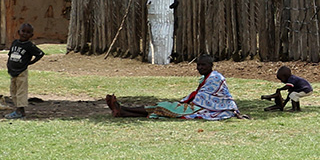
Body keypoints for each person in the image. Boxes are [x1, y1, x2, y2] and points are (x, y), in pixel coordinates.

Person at [104, 56, 246, 120]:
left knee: (162, 107)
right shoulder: (206, 78)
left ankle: (122, 110)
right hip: (196, 105)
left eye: (203, 65)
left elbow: (222, 98)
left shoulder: (216, 78)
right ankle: (122, 111)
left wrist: (235, 111)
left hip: (203, 109)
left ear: (211, 66)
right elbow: (200, 94)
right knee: (161, 107)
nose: (200, 68)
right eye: (198, 65)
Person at [5, 23, 46, 119]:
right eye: (23, 31)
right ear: (18, 32)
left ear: (31, 35)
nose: (25, 34)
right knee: (13, 91)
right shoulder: (15, 43)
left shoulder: (29, 46)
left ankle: (20, 110)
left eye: (28, 32)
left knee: (21, 91)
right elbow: (10, 55)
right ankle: (18, 110)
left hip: (21, 71)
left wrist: (31, 62)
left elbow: (40, 54)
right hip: (13, 71)